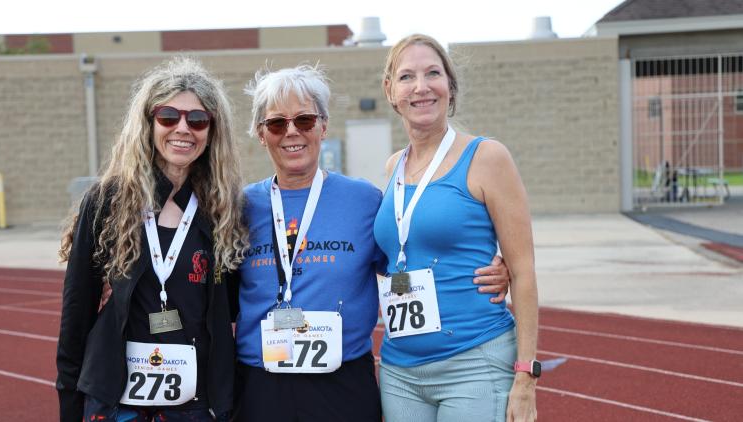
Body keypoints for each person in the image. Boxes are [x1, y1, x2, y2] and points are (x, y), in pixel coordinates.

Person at [231, 64, 511, 421]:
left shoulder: (363, 200)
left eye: (304, 120)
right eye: (276, 123)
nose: (291, 133)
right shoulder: (239, 207)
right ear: (260, 133)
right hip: (260, 384)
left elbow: (407, 260)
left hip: (341, 383)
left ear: (323, 125)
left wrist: (495, 266)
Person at [56, 57, 248, 422]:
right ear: (148, 123)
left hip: (197, 403)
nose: (183, 129)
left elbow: (234, 304)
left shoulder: (223, 208)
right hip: (119, 402)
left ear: (211, 130)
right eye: (168, 117)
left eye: (197, 119)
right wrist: (69, 399)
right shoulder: (106, 201)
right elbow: (77, 311)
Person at [374, 34, 539, 421]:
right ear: (390, 90)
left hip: (473, 361)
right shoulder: (392, 167)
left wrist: (526, 376)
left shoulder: (486, 157)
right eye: (406, 77)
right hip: (400, 372)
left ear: (450, 86)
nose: (421, 87)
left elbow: (524, 272)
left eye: (433, 73)